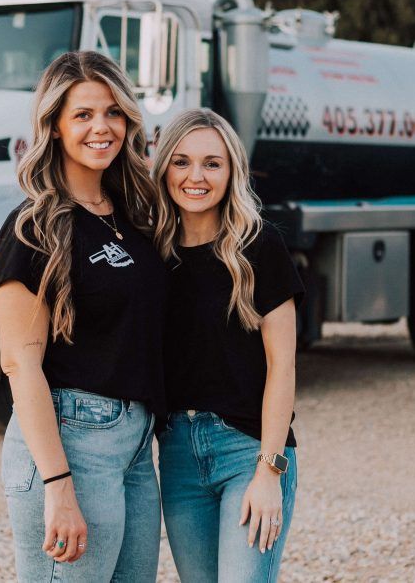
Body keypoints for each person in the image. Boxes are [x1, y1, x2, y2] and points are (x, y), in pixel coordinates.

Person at [0, 51, 166, 582]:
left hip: (136, 445)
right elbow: (21, 364)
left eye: (113, 112)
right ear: (55, 126)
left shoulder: (134, 216)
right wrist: (58, 484)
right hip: (71, 440)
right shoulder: (32, 227)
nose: (102, 127)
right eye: (83, 114)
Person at [152, 108, 303, 582]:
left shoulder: (259, 247)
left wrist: (269, 472)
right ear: (164, 169)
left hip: (249, 450)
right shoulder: (150, 254)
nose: (195, 176)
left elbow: (283, 367)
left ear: (231, 171)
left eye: (212, 164)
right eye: (181, 162)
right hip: (177, 453)